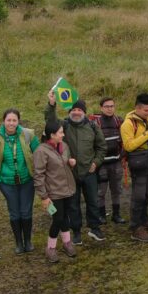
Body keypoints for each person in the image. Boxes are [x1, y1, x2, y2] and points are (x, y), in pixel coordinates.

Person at [45, 95, 106, 244]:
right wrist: (51, 104)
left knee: (93, 201)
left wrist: (96, 162)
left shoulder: (93, 126)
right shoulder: (63, 126)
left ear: (84, 112)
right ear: (69, 111)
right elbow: (50, 121)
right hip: (70, 174)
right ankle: (76, 231)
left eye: (80, 110)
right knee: (73, 205)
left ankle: (94, 228)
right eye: (73, 110)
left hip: (89, 172)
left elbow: (102, 147)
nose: (76, 112)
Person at [0, 109, 39, 254]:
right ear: (3, 121)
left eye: (14, 120)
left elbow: (39, 155)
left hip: (27, 181)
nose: (11, 123)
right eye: (8, 120)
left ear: (18, 121)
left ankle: (28, 241)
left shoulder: (28, 135)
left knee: (26, 212)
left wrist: (36, 174)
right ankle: (18, 242)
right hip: (7, 183)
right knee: (14, 213)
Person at [121, 93, 148, 243]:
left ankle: (144, 219)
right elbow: (128, 146)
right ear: (137, 108)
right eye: (146, 110)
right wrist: (147, 134)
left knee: (147, 193)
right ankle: (135, 227)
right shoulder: (127, 124)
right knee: (138, 196)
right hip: (138, 161)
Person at [34, 120, 79, 263]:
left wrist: (70, 163)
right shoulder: (41, 151)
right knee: (57, 219)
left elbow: (63, 165)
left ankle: (67, 243)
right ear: (52, 135)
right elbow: (38, 175)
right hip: (53, 194)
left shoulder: (64, 146)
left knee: (65, 217)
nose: (63, 135)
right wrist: (44, 197)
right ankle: (50, 248)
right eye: (60, 132)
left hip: (67, 190)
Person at [91, 97, 126, 225]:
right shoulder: (95, 124)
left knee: (116, 190)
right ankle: (101, 216)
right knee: (101, 192)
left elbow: (125, 140)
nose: (110, 109)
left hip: (116, 163)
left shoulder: (119, 121)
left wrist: (123, 156)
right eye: (107, 106)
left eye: (112, 106)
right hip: (101, 164)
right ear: (101, 108)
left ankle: (116, 215)